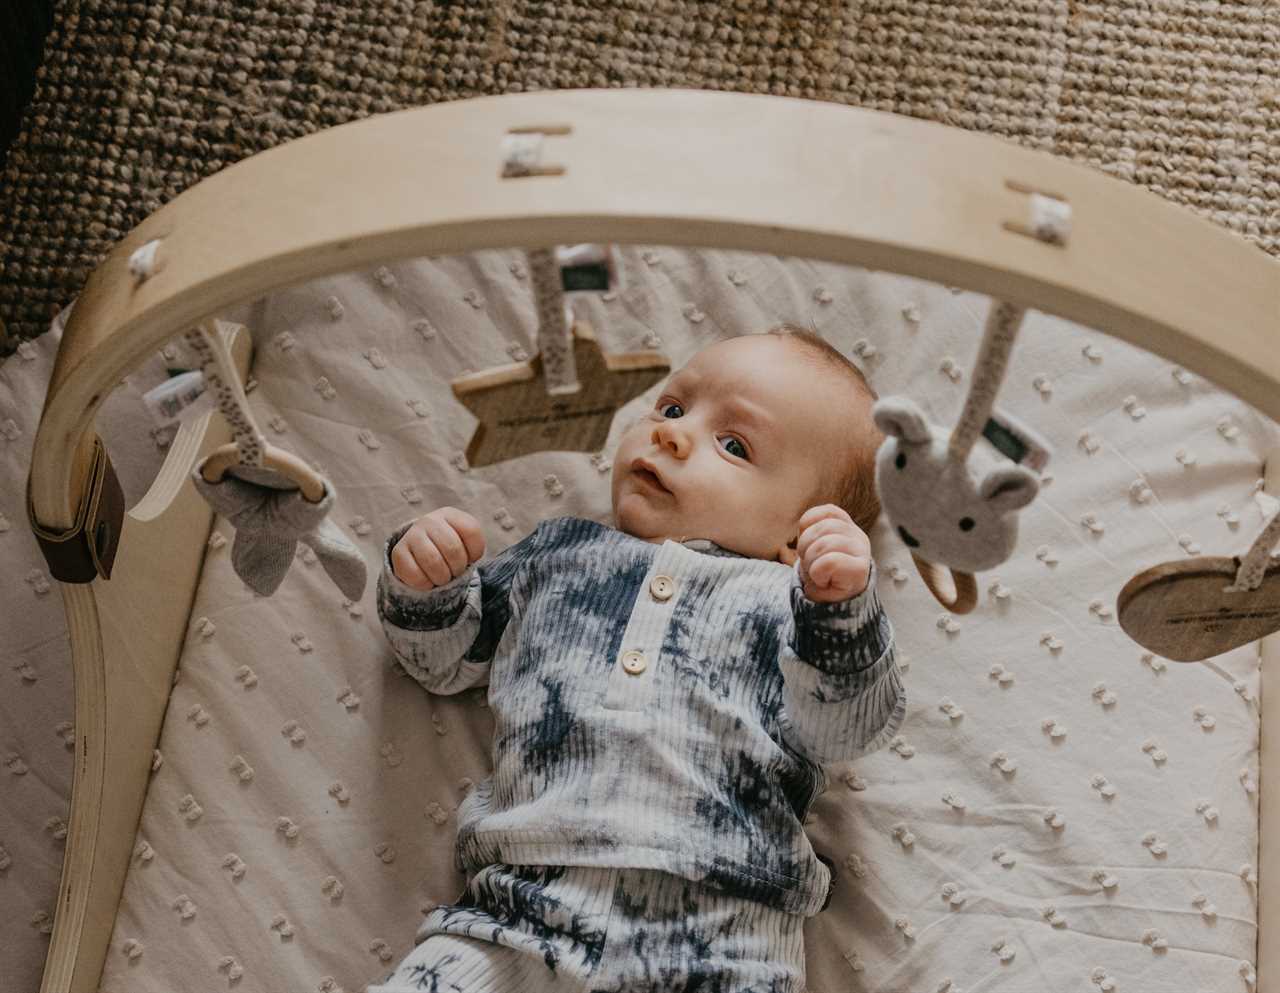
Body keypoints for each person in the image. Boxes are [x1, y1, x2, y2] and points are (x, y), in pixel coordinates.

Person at [368, 325, 904, 992]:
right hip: (516, 907)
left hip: (720, 935)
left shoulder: (791, 606)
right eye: (673, 407)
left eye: (734, 444)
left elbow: (849, 726)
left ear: (799, 537)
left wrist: (843, 612)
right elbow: (445, 658)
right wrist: (426, 582)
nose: (673, 434)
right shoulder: (558, 556)